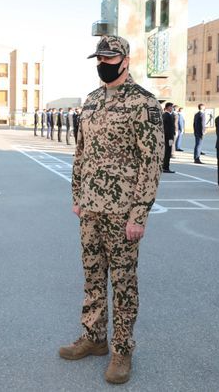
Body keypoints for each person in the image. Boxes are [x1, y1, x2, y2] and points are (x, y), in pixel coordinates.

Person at [61, 36, 163, 385]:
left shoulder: (143, 103)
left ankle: (122, 349)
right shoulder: (90, 101)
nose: (103, 62)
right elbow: (81, 153)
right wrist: (77, 195)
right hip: (90, 207)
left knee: (122, 283)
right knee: (92, 277)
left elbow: (151, 162)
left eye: (109, 56)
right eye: (99, 57)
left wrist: (139, 215)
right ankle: (94, 337)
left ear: (125, 60)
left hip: (122, 212)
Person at [162, 102, 175, 173]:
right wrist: (171, 138)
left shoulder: (164, 115)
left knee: (166, 151)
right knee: (168, 152)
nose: (172, 108)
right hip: (168, 137)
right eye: (171, 107)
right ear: (168, 107)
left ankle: (164, 166)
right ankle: (166, 167)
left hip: (166, 136)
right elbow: (168, 128)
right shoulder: (168, 115)